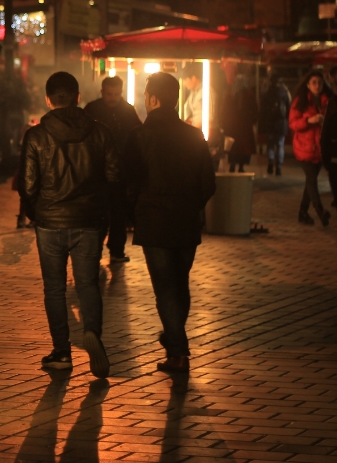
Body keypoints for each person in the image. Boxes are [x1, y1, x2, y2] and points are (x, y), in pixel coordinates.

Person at [18, 71, 117, 377]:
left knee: (55, 289)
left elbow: (28, 184)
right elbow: (114, 177)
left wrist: (37, 213)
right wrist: (102, 212)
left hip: (50, 221)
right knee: (88, 283)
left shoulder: (36, 136)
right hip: (88, 221)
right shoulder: (100, 133)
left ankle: (61, 352)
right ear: (78, 97)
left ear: (48, 99)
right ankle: (93, 334)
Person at [122, 72, 216, 373]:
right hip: (186, 221)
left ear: (152, 99)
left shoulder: (139, 136)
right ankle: (175, 343)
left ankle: (178, 348)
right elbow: (208, 183)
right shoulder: (193, 135)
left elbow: (130, 181)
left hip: (154, 221)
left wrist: (135, 210)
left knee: (164, 288)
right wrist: (192, 205)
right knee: (179, 283)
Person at [84, 75, 142, 262]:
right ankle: (100, 249)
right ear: (102, 92)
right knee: (100, 213)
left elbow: (136, 137)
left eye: (116, 94)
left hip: (119, 170)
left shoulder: (127, 111)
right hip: (99, 171)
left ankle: (115, 249)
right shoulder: (93, 110)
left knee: (118, 213)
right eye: (110, 94)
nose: (113, 98)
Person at [288, 70, 332, 227]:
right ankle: (320, 211)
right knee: (312, 180)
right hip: (304, 147)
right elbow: (293, 124)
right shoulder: (300, 101)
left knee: (310, 181)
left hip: (320, 148)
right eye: (314, 82)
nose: (317, 86)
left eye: (320, 82)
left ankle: (302, 212)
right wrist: (310, 120)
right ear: (307, 84)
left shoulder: (328, 101)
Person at [222, 76, 258, 173]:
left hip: (232, 126)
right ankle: (241, 166)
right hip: (245, 126)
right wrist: (253, 121)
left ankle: (233, 165)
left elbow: (224, 111)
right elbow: (254, 110)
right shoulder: (249, 95)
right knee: (244, 147)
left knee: (233, 146)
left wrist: (224, 124)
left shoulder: (230, 95)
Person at [258, 72, 291, 176]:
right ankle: (279, 168)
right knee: (280, 145)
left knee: (270, 145)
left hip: (270, 123)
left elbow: (262, 110)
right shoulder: (284, 92)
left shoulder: (267, 93)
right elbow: (289, 107)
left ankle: (271, 163)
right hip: (281, 123)